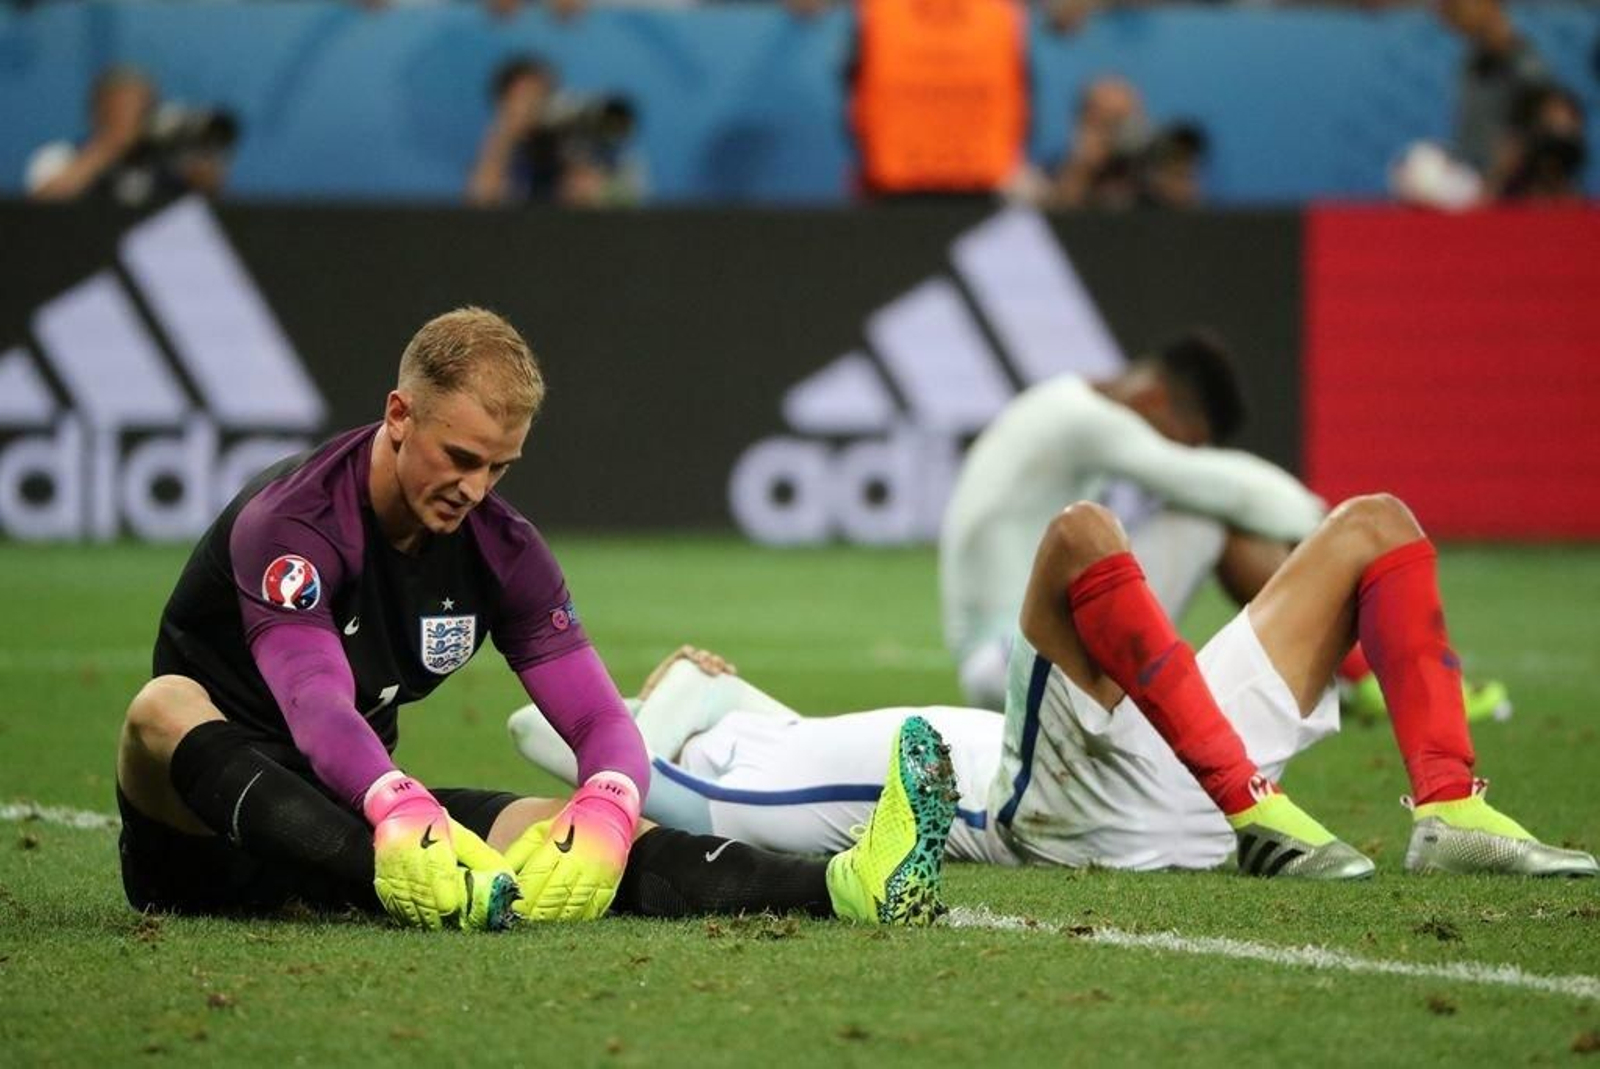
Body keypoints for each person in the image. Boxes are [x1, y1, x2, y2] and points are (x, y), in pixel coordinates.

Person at [114, 306, 957, 931]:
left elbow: (596, 716)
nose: (475, 489)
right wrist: (397, 804)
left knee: (558, 830)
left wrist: (609, 803)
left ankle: (845, 886)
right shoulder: (292, 523)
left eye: (500, 467)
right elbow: (315, 703)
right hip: (203, 836)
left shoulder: (502, 548)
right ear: (399, 415)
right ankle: (420, 879)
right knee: (162, 706)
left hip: (360, 815)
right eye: (460, 458)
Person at [512, 496, 1596, 879]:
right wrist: (661, 702)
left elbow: (709, 704)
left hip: (1165, 755)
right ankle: (1252, 805)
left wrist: (689, 693)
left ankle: (1446, 807)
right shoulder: (733, 794)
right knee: (1080, 536)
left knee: (1375, 525)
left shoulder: (765, 732)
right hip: (1061, 806)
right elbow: (553, 733)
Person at [937, 328, 1510, 726]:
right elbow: (1207, 483)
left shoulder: (1060, 405)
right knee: (1207, 515)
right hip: (1016, 663)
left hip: (1006, 658)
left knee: (1207, 513)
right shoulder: (1083, 420)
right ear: (1154, 397)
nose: (1179, 452)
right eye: (1181, 438)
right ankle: (1371, 677)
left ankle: (1361, 676)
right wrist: (1325, 524)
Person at [27, 65, 239, 206]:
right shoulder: (61, 155)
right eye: (122, 108)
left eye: (143, 107)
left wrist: (202, 175)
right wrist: (110, 146)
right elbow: (40, 209)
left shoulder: (171, 163)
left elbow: (214, 211)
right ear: (98, 111)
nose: (133, 116)